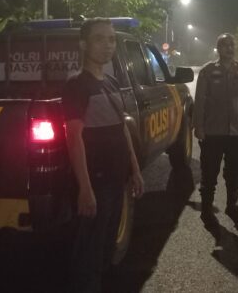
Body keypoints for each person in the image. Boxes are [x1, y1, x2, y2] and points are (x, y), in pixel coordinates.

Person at [62, 18, 145, 292]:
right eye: (99, 39)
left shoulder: (111, 82)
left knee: (107, 249)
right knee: (88, 254)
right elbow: (73, 138)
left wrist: (134, 170)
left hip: (117, 180)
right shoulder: (76, 85)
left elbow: (122, 129)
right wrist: (85, 189)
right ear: (83, 45)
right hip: (96, 184)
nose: (107, 45)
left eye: (111, 39)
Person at [194, 33, 238, 226]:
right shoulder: (207, 71)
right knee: (209, 173)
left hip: (237, 132)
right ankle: (207, 209)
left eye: (231, 45)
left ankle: (232, 206)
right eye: (224, 45)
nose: (229, 48)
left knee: (234, 173)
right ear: (218, 48)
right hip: (212, 132)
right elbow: (200, 101)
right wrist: (198, 126)